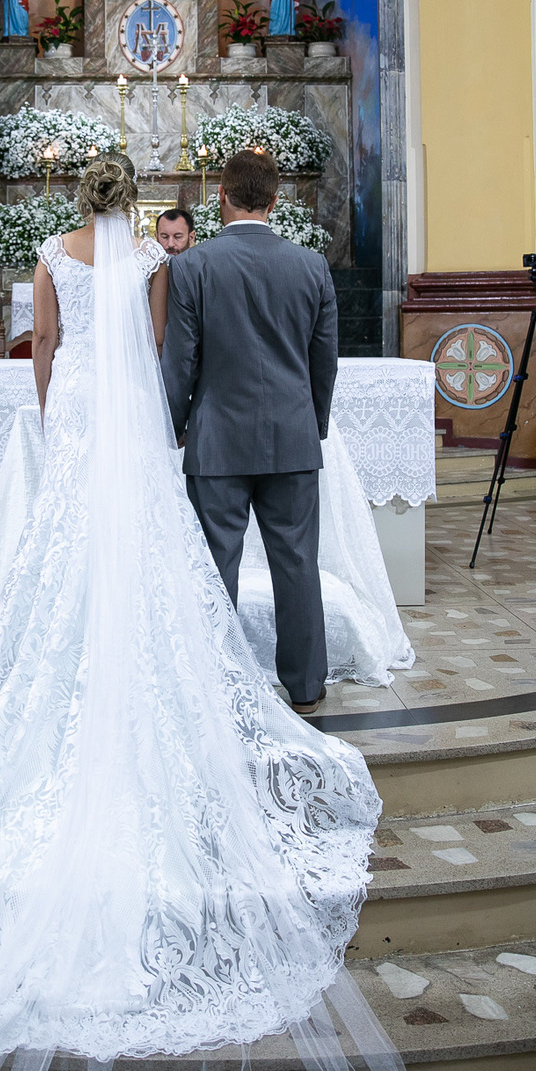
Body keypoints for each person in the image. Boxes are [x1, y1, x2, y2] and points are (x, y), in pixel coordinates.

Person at [0, 158, 461, 1071]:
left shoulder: (65, 256)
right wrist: (174, 422)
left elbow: (50, 349)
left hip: (96, 421)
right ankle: (287, 681)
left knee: (86, 566)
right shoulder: (164, 260)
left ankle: (80, 671)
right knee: (223, 566)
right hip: (198, 427)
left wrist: (68, 414)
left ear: (77, 199)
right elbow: (165, 353)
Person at [162, 148, 336, 716]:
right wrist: (313, 424)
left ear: (221, 197)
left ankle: (217, 685)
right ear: (276, 200)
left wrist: (175, 424)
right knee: (297, 562)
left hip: (217, 439)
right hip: (292, 436)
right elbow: (324, 360)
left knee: (216, 567)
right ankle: (305, 687)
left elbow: (180, 359)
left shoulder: (193, 265)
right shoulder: (311, 265)